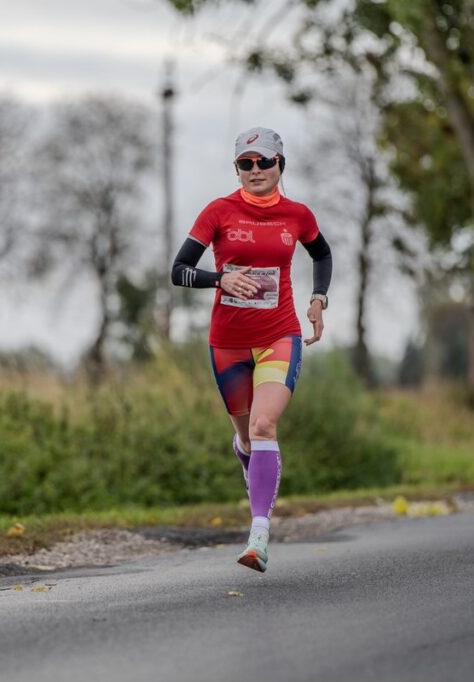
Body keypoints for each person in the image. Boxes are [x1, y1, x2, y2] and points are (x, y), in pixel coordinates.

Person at [170, 127, 332, 573]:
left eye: (264, 161)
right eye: (246, 163)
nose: (255, 170)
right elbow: (178, 270)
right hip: (228, 343)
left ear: (281, 164)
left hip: (279, 335)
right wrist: (219, 278)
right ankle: (247, 457)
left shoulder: (297, 215)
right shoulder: (219, 212)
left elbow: (321, 254)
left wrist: (318, 298)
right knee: (246, 436)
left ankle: (258, 535)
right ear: (237, 168)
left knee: (264, 425)